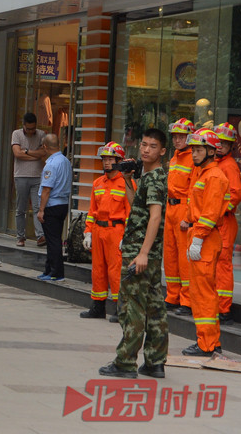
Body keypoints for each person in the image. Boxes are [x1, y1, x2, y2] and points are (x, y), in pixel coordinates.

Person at [99, 128, 169, 379]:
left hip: (140, 251)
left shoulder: (154, 178)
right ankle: (155, 362)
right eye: (143, 144)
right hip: (146, 251)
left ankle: (125, 362)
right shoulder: (149, 177)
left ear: (162, 151)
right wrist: (129, 180)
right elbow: (135, 204)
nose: (145, 149)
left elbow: (155, 215)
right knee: (153, 306)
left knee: (131, 306)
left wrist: (142, 253)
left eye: (152, 146)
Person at [181, 128, 229, 357]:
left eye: (199, 149)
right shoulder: (202, 174)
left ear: (211, 151)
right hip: (198, 236)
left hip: (205, 238)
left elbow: (209, 214)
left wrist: (198, 238)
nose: (194, 154)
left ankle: (209, 344)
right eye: (193, 150)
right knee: (198, 292)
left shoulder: (215, 177)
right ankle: (205, 341)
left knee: (204, 293)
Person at [81, 142, 131, 320]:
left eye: (110, 159)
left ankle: (120, 309)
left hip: (116, 230)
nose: (107, 162)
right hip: (98, 230)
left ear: (119, 160)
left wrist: (127, 236)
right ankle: (98, 307)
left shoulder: (127, 183)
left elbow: (130, 213)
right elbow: (91, 211)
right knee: (98, 270)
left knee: (115, 271)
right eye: (105, 159)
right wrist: (88, 232)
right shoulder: (97, 183)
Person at [213, 122, 241, 323]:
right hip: (217, 221)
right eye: (219, 142)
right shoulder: (217, 164)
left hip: (224, 221)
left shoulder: (229, 166)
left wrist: (219, 211)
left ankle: (224, 309)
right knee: (215, 264)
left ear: (231, 145)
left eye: (225, 143)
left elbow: (236, 194)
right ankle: (217, 305)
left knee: (223, 265)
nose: (221, 145)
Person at [164, 118, 195, 315]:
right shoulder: (174, 158)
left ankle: (187, 300)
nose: (177, 140)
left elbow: (193, 192)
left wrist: (189, 216)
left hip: (183, 209)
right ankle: (172, 296)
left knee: (184, 259)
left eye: (181, 137)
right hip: (170, 208)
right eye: (175, 137)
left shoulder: (193, 159)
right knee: (170, 256)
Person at [36, 134, 71, 282]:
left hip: (52, 205)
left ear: (45, 147)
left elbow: (46, 190)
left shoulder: (51, 164)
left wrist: (41, 210)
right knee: (54, 239)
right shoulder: (65, 160)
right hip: (63, 204)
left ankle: (56, 272)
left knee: (53, 241)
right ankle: (49, 270)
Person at [11, 112, 47, 247]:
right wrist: (34, 155)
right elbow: (17, 154)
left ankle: (40, 236)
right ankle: (20, 237)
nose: (31, 131)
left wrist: (26, 151)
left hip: (37, 176)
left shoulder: (41, 135)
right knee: (21, 208)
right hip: (20, 176)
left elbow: (43, 152)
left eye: (33, 128)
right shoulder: (16, 134)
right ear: (23, 126)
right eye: (28, 129)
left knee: (38, 207)